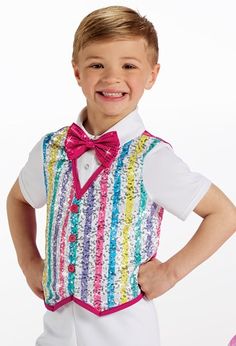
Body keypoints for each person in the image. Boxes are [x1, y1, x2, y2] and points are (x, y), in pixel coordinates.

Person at [6, 5, 236, 346]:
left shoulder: (152, 158)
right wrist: (28, 262)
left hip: (126, 334)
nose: (112, 78)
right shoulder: (51, 149)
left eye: (129, 66)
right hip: (55, 335)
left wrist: (170, 273)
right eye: (97, 65)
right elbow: (18, 199)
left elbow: (224, 214)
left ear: (152, 75)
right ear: (77, 73)